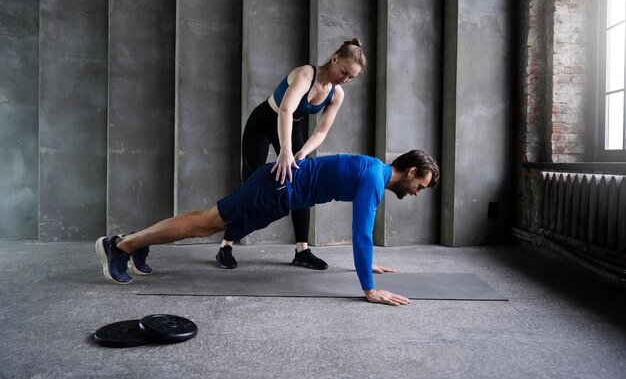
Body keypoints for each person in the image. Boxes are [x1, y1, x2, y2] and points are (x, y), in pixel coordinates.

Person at [96, 149, 439, 306]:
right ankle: (121, 245)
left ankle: (133, 242)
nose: (416, 192)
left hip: (278, 191)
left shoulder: (374, 170)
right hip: (275, 188)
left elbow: (362, 233)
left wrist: (367, 264)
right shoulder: (374, 178)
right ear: (410, 172)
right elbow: (363, 233)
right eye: (420, 186)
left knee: (204, 222)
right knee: (203, 225)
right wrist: (369, 288)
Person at [218, 38, 367, 271]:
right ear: (335, 59)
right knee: (249, 185)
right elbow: (285, 109)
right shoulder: (306, 75)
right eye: (344, 72)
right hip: (264, 122)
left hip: (291, 126)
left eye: (351, 78)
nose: (345, 79)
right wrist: (285, 151)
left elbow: (321, 131)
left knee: (301, 182)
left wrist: (301, 153)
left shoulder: (336, 94)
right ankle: (226, 246)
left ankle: (302, 251)